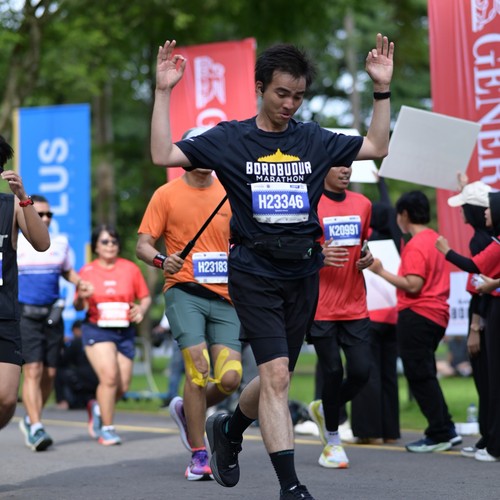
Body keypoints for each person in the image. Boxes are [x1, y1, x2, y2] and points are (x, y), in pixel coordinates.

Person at [150, 33, 394, 500]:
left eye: (298, 96)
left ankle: (230, 429)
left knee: (272, 377)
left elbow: (377, 145)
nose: (289, 104)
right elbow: (163, 154)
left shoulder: (313, 139)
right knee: (278, 377)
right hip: (253, 272)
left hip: (302, 275)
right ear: (260, 87)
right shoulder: (230, 138)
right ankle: (291, 486)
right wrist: (163, 92)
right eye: (281, 93)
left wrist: (381, 88)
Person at [136, 137, 243, 481]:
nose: (207, 156)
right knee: (198, 370)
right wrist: (161, 260)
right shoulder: (165, 194)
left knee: (230, 378)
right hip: (184, 291)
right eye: (199, 150)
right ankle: (199, 453)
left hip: (226, 296)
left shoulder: (230, 191)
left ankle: (187, 410)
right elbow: (143, 245)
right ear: (185, 156)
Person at [368, 191, 460, 453]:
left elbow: (413, 284)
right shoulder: (435, 239)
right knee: (425, 373)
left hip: (418, 314)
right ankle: (446, 428)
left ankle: (440, 432)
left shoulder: (417, 244)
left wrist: (380, 271)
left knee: (419, 375)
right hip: (436, 315)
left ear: (405, 215)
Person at [306, 164, 373, 469]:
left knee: (361, 371)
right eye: (339, 165)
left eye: (349, 165)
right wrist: (318, 255)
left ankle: (325, 408)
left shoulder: (363, 204)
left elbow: (364, 244)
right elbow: (298, 250)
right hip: (321, 305)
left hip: (354, 302)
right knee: (332, 371)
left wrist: (367, 257)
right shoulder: (310, 203)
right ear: (324, 167)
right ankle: (332, 441)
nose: (346, 171)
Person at [436, 190, 500, 462]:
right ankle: (490, 439)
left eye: (490, 208)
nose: (486, 212)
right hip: (489, 313)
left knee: (492, 381)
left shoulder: (488, 242)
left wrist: (446, 251)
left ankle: (493, 443)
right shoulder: (491, 239)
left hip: (490, 314)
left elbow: (474, 267)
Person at [17, 194, 84, 451]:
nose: (44, 218)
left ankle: (31, 418)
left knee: (50, 374)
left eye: (48, 214)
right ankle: (36, 426)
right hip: (25, 314)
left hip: (52, 315)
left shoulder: (60, 243)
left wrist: (81, 283)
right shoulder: (15, 242)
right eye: (40, 213)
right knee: (33, 369)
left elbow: (67, 271)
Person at [74, 224, 151, 446]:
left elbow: (145, 298)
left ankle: (98, 408)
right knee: (109, 377)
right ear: (96, 246)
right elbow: (78, 305)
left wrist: (141, 309)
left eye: (114, 241)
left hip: (124, 330)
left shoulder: (130, 269)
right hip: (97, 329)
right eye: (105, 241)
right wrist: (82, 296)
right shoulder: (87, 271)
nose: (110, 245)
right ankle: (107, 429)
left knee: (122, 385)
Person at [0, 136, 50, 432]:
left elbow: (43, 244)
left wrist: (23, 196)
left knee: (6, 400)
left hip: (4, 315)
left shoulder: (12, 206)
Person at [350, 176, 402, 445]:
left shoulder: (366, 242)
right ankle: (390, 430)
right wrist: (382, 184)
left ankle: (369, 431)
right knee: (388, 373)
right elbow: (388, 209)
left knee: (367, 373)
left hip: (369, 314)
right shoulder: (397, 241)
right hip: (392, 315)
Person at [54, 320, 98, 409]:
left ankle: (62, 401)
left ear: (76, 330)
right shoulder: (96, 342)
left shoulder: (77, 342)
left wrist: (63, 345)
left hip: (82, 377)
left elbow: (63, 361)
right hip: (97, 377)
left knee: (58, 372)